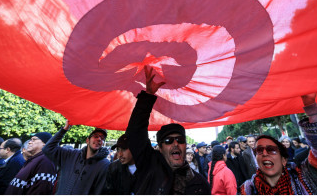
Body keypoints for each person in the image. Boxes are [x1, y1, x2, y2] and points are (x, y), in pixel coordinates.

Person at [241, 93, 317, 194]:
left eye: (271, 150)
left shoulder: (305, 179)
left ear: (283, 160)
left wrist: (311, 106)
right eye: (259, 151)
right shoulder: (249, 190)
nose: (264, 153)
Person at [125, 66, 210, 194]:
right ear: (160, 147)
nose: (175, 143)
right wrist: (147, 96)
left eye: (180, 140)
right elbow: (135, 133)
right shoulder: (149, 166)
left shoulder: (200, 184)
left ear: (185, 145)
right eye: (169, 140)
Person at [43, 122, 110, 194]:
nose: (99, 139)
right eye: (96, 136)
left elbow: (99, 191)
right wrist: (64, 129)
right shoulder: (71, 154)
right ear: (87, 140)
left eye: (102, 138)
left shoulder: (104, 165)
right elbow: (48, 149)